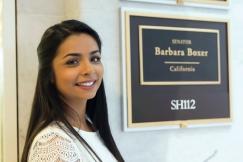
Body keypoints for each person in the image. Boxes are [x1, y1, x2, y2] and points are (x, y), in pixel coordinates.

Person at [21, 20, 124, 162]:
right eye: (72, 62)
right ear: (50, 74)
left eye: (95, 58)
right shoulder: (54, 144)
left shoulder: (90, 125)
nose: (89, 69)